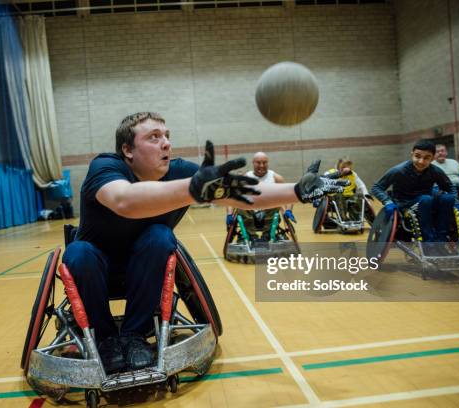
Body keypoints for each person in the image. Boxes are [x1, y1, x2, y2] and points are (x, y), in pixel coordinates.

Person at [63, 112, 346, 374]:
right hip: (96, 268)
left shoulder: (181, 172)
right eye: (153, 137)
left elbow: (242, 194)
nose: (166, 144)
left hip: (146, 267)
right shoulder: (105, 167)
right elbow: (124, 200)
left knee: (160, 237)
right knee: (78, 251)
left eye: (167, 136)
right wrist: (192, 189)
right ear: (127, 150)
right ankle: (105, 339)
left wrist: (296, 190)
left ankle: (135, 336)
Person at [371, 140, 459, 245]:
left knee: (447, 199)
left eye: (426, 158)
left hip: (426, 200)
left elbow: (450, 187)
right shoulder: (399, 170)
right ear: (412, 154)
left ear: (432, 158)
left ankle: (441, 239)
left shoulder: (435, 171)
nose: (421, 161)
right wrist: (387, 201)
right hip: (405, 202)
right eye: (417, 156)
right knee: (426, 199)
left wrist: (455, 199)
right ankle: (429, 243)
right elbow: (376, 187)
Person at [226, 152, 296, 232]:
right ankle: (250, 234)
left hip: (269, 211)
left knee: (279, 204)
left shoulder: (276, 178)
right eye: (258, 163)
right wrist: (229, 214)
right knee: (240, 205)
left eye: (264, 162)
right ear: (253, 163)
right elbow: (231, 195)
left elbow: (289, 194)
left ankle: (268, 233)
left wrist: (289, 210)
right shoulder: (246, 177)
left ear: (268, 163)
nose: (261, 165)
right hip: (250, 211)